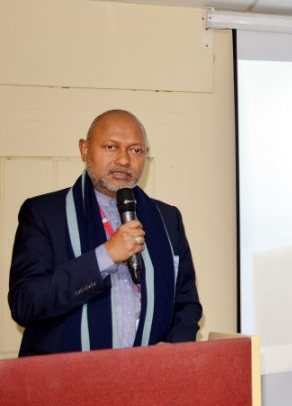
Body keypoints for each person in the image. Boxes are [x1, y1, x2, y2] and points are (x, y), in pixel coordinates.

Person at [8, 109, 202, 356]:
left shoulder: (166, 219)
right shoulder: (44, 214)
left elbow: (186, 304)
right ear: (84, 150)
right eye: (111, 147)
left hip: (148, 379)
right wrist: (105, 257)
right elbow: (25, 304)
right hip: (64, 383)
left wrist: (175, 348)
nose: (124, 160)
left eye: (136, 150)